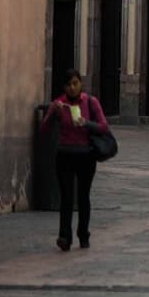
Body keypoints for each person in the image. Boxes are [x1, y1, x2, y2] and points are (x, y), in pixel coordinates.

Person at [39, 69, 110, 250]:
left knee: (83, 196)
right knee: (66, 197)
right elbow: (44, 129)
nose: (72, 88)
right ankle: (65, 236)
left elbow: (103, 126)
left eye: (75, 83)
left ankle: (83, 234)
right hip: (65, 154)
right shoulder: (59, 104)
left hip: (86, 155)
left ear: (80, 84)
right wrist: (53, 113)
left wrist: (86, 123)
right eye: (68, 85)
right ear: (64, 87)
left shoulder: (90, 102)